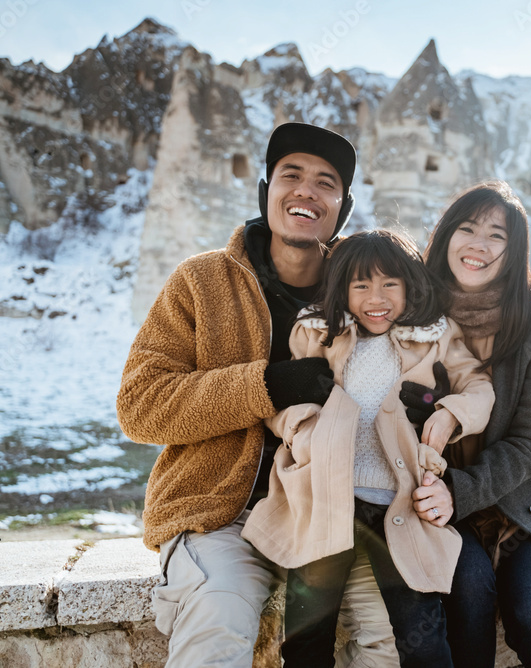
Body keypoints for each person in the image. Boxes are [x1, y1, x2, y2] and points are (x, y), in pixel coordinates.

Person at [116, 122, 356, 667]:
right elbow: (140, 406)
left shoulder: (366, 289)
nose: (306, 191)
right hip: (221, 518)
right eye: (290, 175)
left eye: (326, 182)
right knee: (218, 615)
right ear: (265, 191)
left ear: (342, 207)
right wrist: (267, 386)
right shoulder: (201, 281)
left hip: (335, 517)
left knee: (396, 627)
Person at [241, 229, 495, 667]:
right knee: (306, 636)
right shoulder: (317, 333)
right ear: (342, 290)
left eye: (390, 284)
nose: (376, 298)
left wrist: (450, 413)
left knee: (422, 633)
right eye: (361, 285)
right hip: (324, 497)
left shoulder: (433, 337)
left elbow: (479, 386)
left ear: (409, 286)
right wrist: (303, 429)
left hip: (400, 502)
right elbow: (282, 402)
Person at [405, 181, 531, 667]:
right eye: (467, 229)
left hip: (519, 505)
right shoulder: (411, 312)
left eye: (496, 236)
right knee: (469, 588)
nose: (478, 245)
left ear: (514, 251)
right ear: (446, 236)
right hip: (437, 503)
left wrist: (459, 490)